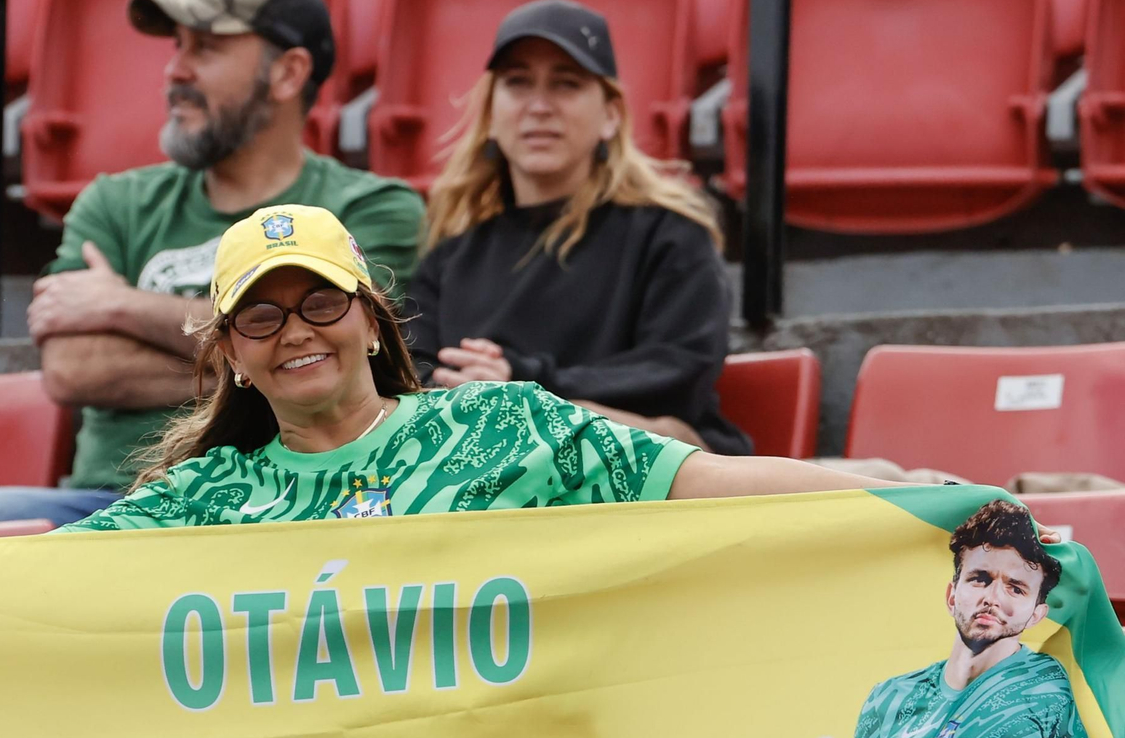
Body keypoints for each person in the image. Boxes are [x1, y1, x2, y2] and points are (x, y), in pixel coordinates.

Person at [0, 0, 423, 530]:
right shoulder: (115, 202)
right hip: (111, 502)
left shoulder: (369, 208)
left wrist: (120, 306)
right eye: (177, 48)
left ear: (288, 73)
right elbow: (73, 369)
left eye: (206, 49)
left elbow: (353, 358)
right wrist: (275, 363)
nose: (175, 72)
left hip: (297, 497)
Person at [55, 204, 979, 533]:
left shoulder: (498, 425)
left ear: (372, 323)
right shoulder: (200, 498)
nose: (296, 331)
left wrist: (908, 496)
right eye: (262, 316)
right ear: (231, 358)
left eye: (322, 303)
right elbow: (36, 591)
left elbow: (706, 483)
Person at [405, 0, 749, 454]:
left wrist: (523, 385)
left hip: (637, 469)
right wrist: (474, 390)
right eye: (518, 83)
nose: (539, 106)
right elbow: (409, 374)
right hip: (483, 467)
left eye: (566, 84)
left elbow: (679, 372)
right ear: (490, 114)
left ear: (611, 115)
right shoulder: (451, 254)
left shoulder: (670, 234)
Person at [827, 500, 1096, 738]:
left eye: (1016, 588)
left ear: (1036, 613)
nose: (992, 598)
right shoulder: (889, 697)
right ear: (952, 595)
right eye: (980, 578)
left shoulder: (1049, 691)